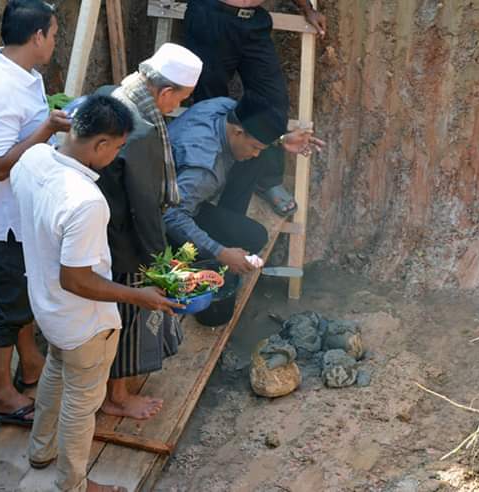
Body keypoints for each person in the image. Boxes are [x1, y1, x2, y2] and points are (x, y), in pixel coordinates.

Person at [11, 95, 180, 492]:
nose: (118, 155)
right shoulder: (87, 201)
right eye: (118, 147)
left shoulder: (33, 160)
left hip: (47, 307)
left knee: (55, 370)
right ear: (100, 144)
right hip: (83, 321)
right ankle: (74, 484)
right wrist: (142, 296)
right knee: (81, 405)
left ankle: (40, 450)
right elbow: (78, 280)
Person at [0, 0, 71, 426]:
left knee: (23, 293)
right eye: (54, 34)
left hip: (20, 213)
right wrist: (49, 129)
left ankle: (30, 365)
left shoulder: (22, 73)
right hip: (1, 220)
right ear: (37, 37)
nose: (55, 42)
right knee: (5, 306)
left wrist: (47, 120)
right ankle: (2, 396)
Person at [92, 43, 204, 420]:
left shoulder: (115, 93)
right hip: (123, 237)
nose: (175, 108)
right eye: (179, 100)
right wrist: (160, 260)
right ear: (165, 92)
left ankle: (114, 390)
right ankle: (117, 397)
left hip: (106, 228)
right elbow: (143, 200)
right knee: (126, 316)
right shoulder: (138, 131)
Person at [183, 0, 327, 218]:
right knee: (210, 101)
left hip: (253, 21)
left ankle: (268, 179)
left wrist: (307, 9)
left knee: (272, 100)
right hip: (211, 15)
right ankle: (209, 179)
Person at [163, 92, 324, 275]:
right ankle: (210, 280)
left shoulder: (222, 107)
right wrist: (220, 252)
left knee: (258, 158)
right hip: (163, 220)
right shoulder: (203, 171)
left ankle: (227, 239)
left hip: (179, 189)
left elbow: (253, 137)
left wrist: (280, 140)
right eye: (255, 146)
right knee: (254, 237)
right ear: (238, 132)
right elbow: (171, 216)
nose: (256, 152)